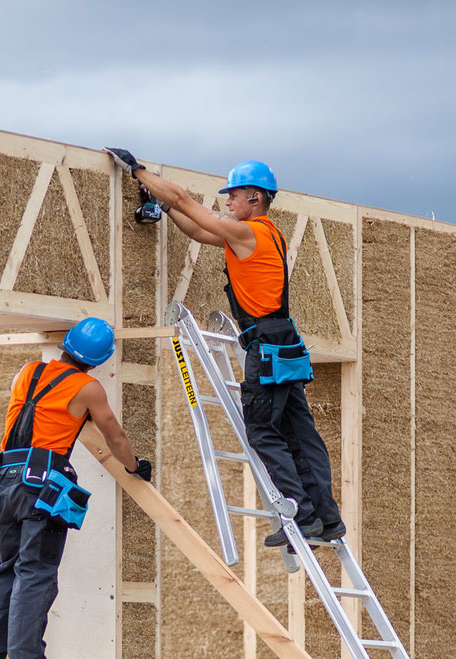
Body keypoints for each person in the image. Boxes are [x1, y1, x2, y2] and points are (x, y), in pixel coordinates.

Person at [104, 148, 343, 546]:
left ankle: (300, 515)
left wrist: (139, 172)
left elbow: (186, 202)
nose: (226, 201)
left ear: (255, 196)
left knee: (264, 431)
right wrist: (162, 208)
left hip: (266, 345)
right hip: (283, 341)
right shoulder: (263, 236)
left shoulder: (250, 231)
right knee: (302, 436)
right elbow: (198, 231)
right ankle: (326, 519)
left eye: (232, 195)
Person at [0, 317, 151, 659]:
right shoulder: (88, 388)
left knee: (6, 571)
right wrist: (135, 465)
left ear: (67, 345)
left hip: (4, 482)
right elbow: (115, 436)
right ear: (98, 360)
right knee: (36, 572)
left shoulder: (27, 371)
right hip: (40, 487)